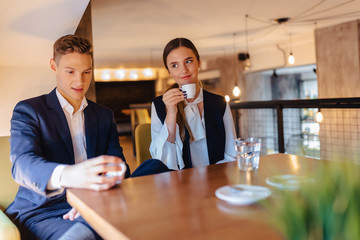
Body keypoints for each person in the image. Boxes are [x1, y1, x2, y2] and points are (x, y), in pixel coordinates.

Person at [5, 34, 168, 240]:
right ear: (53, 66)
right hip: (46, 211)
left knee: (157, 167)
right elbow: (22, 164)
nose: (79, 81)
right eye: (70, 71)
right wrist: (70, 175)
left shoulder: (103, 115)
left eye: (86, 72)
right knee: (94, 232)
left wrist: (94, 201)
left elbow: (118, 166)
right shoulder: (30, 110)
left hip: (96, 202)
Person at [150, 37, 236, 170]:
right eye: (175, 65)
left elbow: (231, 154)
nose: (183, 70)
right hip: (179, 182)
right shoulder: (159, 105)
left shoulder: (220, 104)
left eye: (188, 61)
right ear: (169, 71)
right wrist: (171, 113)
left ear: (199, 63)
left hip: (216, 178)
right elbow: (162, 159)